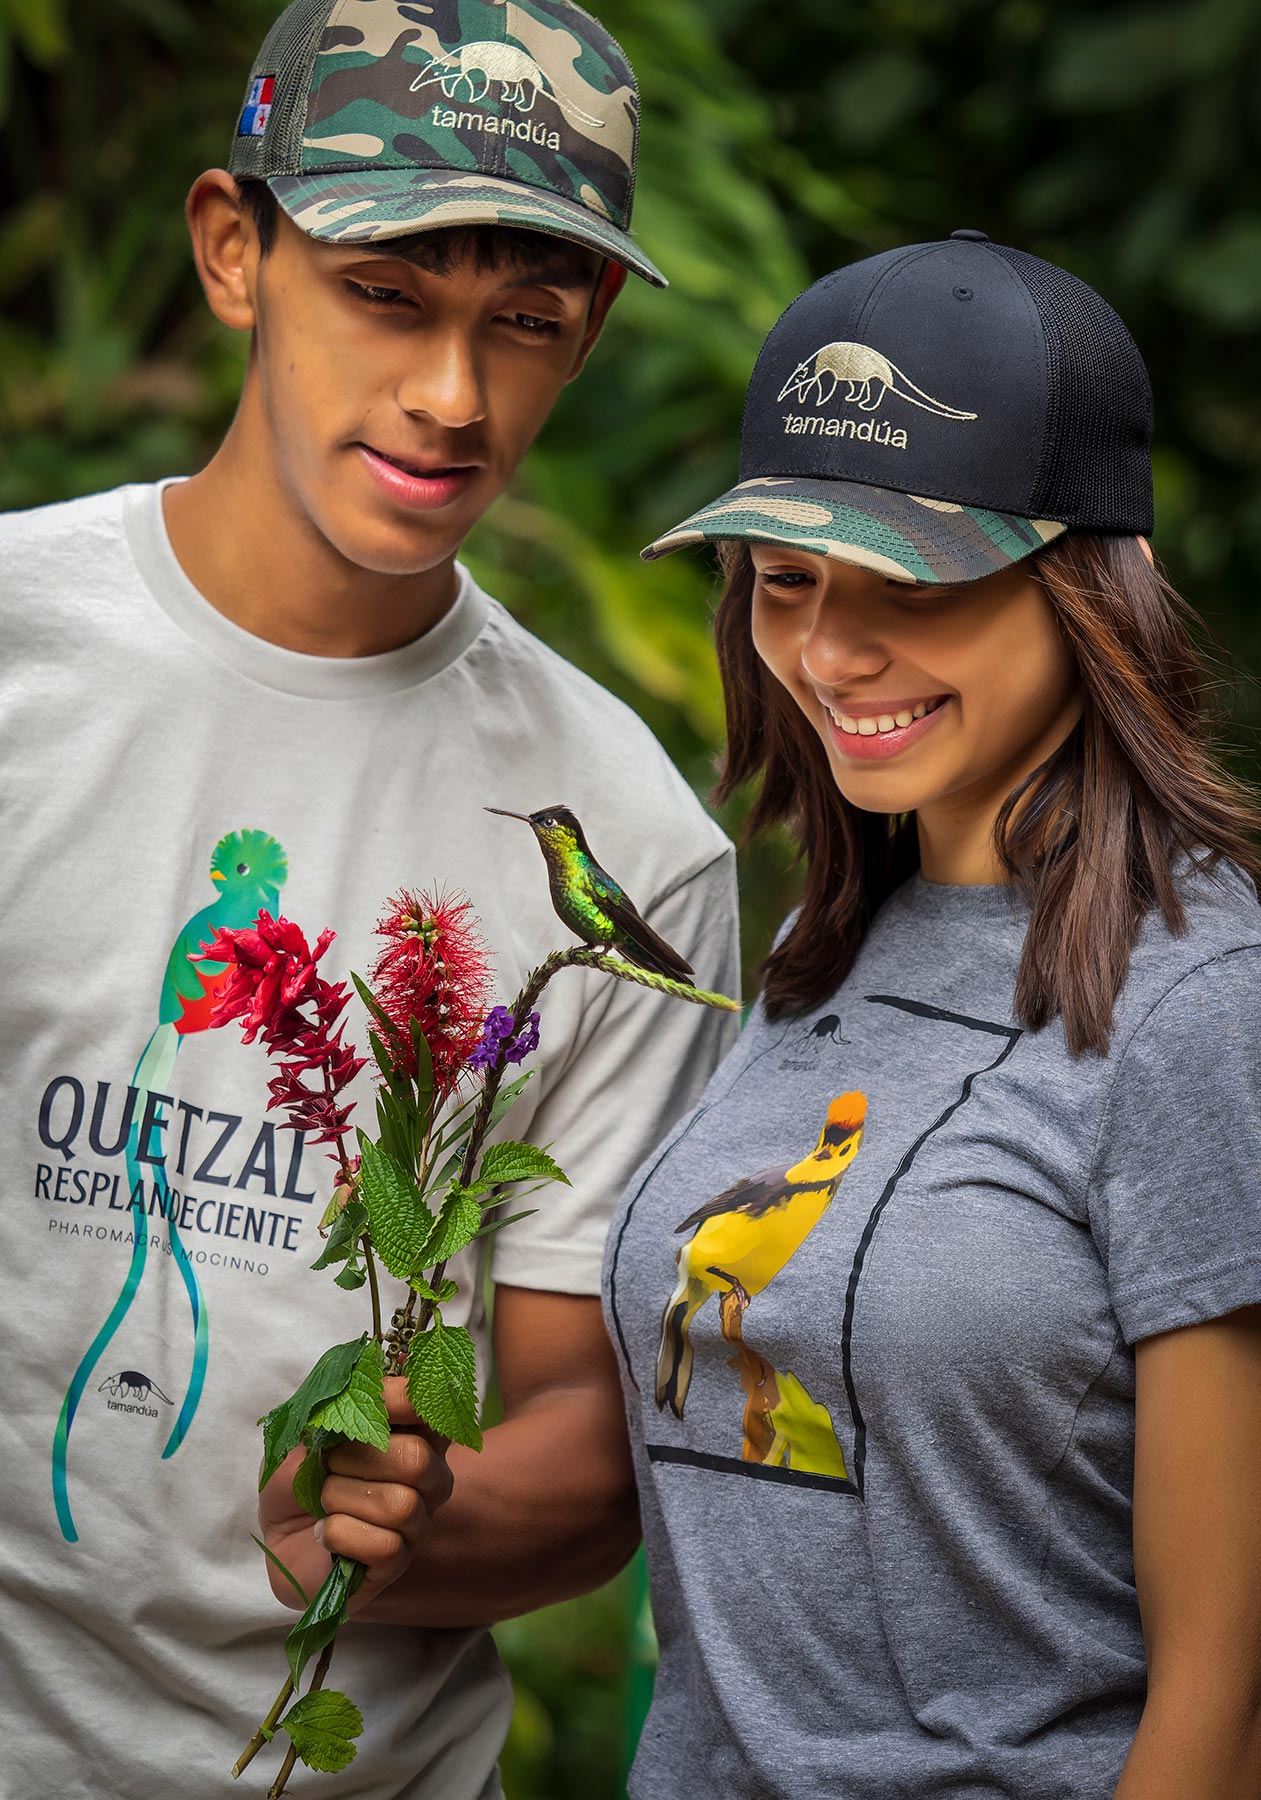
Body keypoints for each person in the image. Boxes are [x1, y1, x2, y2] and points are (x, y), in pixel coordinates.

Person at [0, 3, 740, 1796]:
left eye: (524, 327)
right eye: (388, 297)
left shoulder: (631, 846)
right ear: (236, 251)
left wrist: (426, 1513)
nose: (451, 396)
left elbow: (590, 1432)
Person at [606, 231, 1261, 1798]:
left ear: (1092, 584)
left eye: (912, 581)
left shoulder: (1197, 1000)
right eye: (785, 582)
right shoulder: (813, 962)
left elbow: (1224, 1706)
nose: (829, 653)